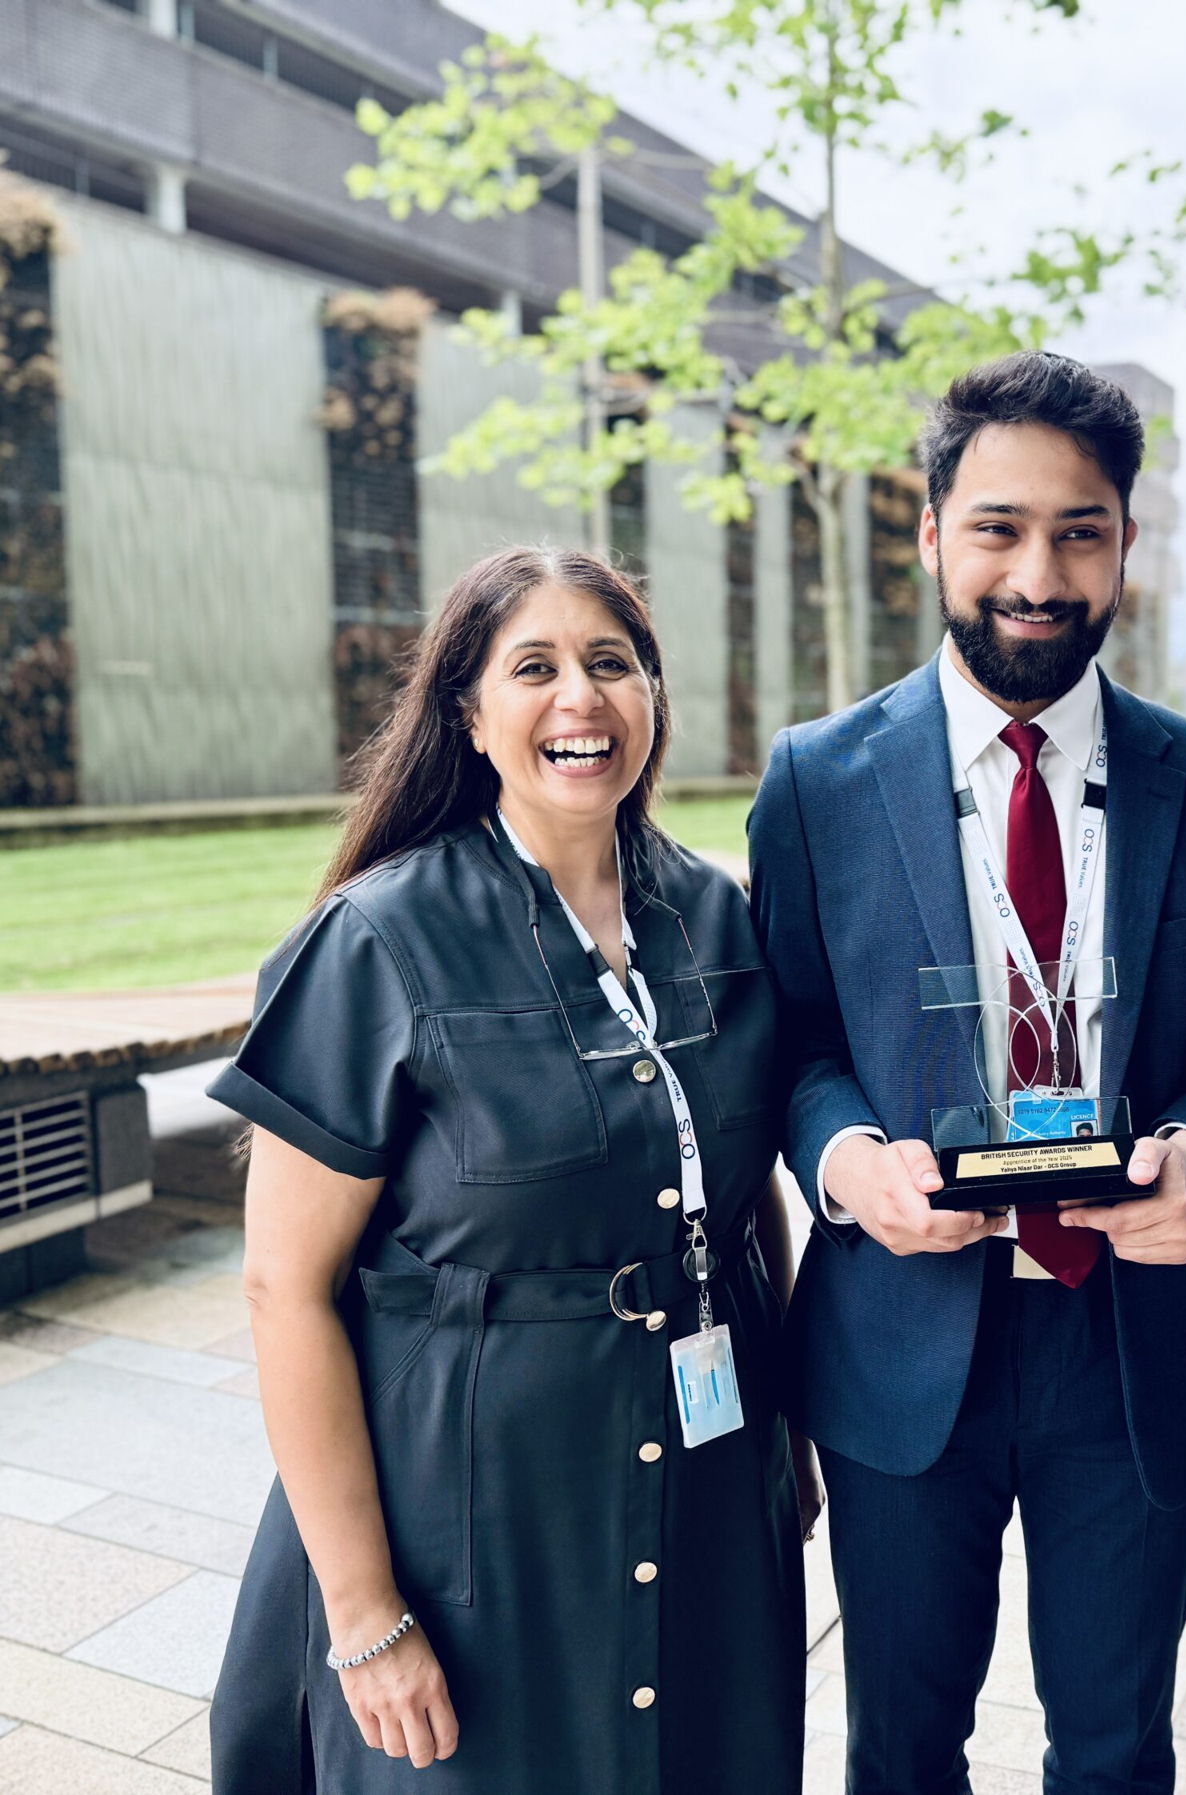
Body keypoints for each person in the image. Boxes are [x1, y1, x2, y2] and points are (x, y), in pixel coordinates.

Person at [207, 547, 812, 1793]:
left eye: (612, 663)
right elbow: (283, 1288)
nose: (580, 698)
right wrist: (366, 1615)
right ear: (469, 716)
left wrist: (785, 1440)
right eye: (533, 667)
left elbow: (745, 1197)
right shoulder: (377, 936)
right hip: (471, 1510)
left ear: (653, 695)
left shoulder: (719, 917)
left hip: (708, 1481)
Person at [749, 352, 1186, 1794]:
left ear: (1124, 546)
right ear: (929, 533)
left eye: (1079, 530)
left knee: (1115, 1750)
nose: (1037, 572)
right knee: (902, 1748)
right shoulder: (814, 780)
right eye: (998, 527)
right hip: (901, 1338)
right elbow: (793, 1042)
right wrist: (848, 1165)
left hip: (1132, 1340)